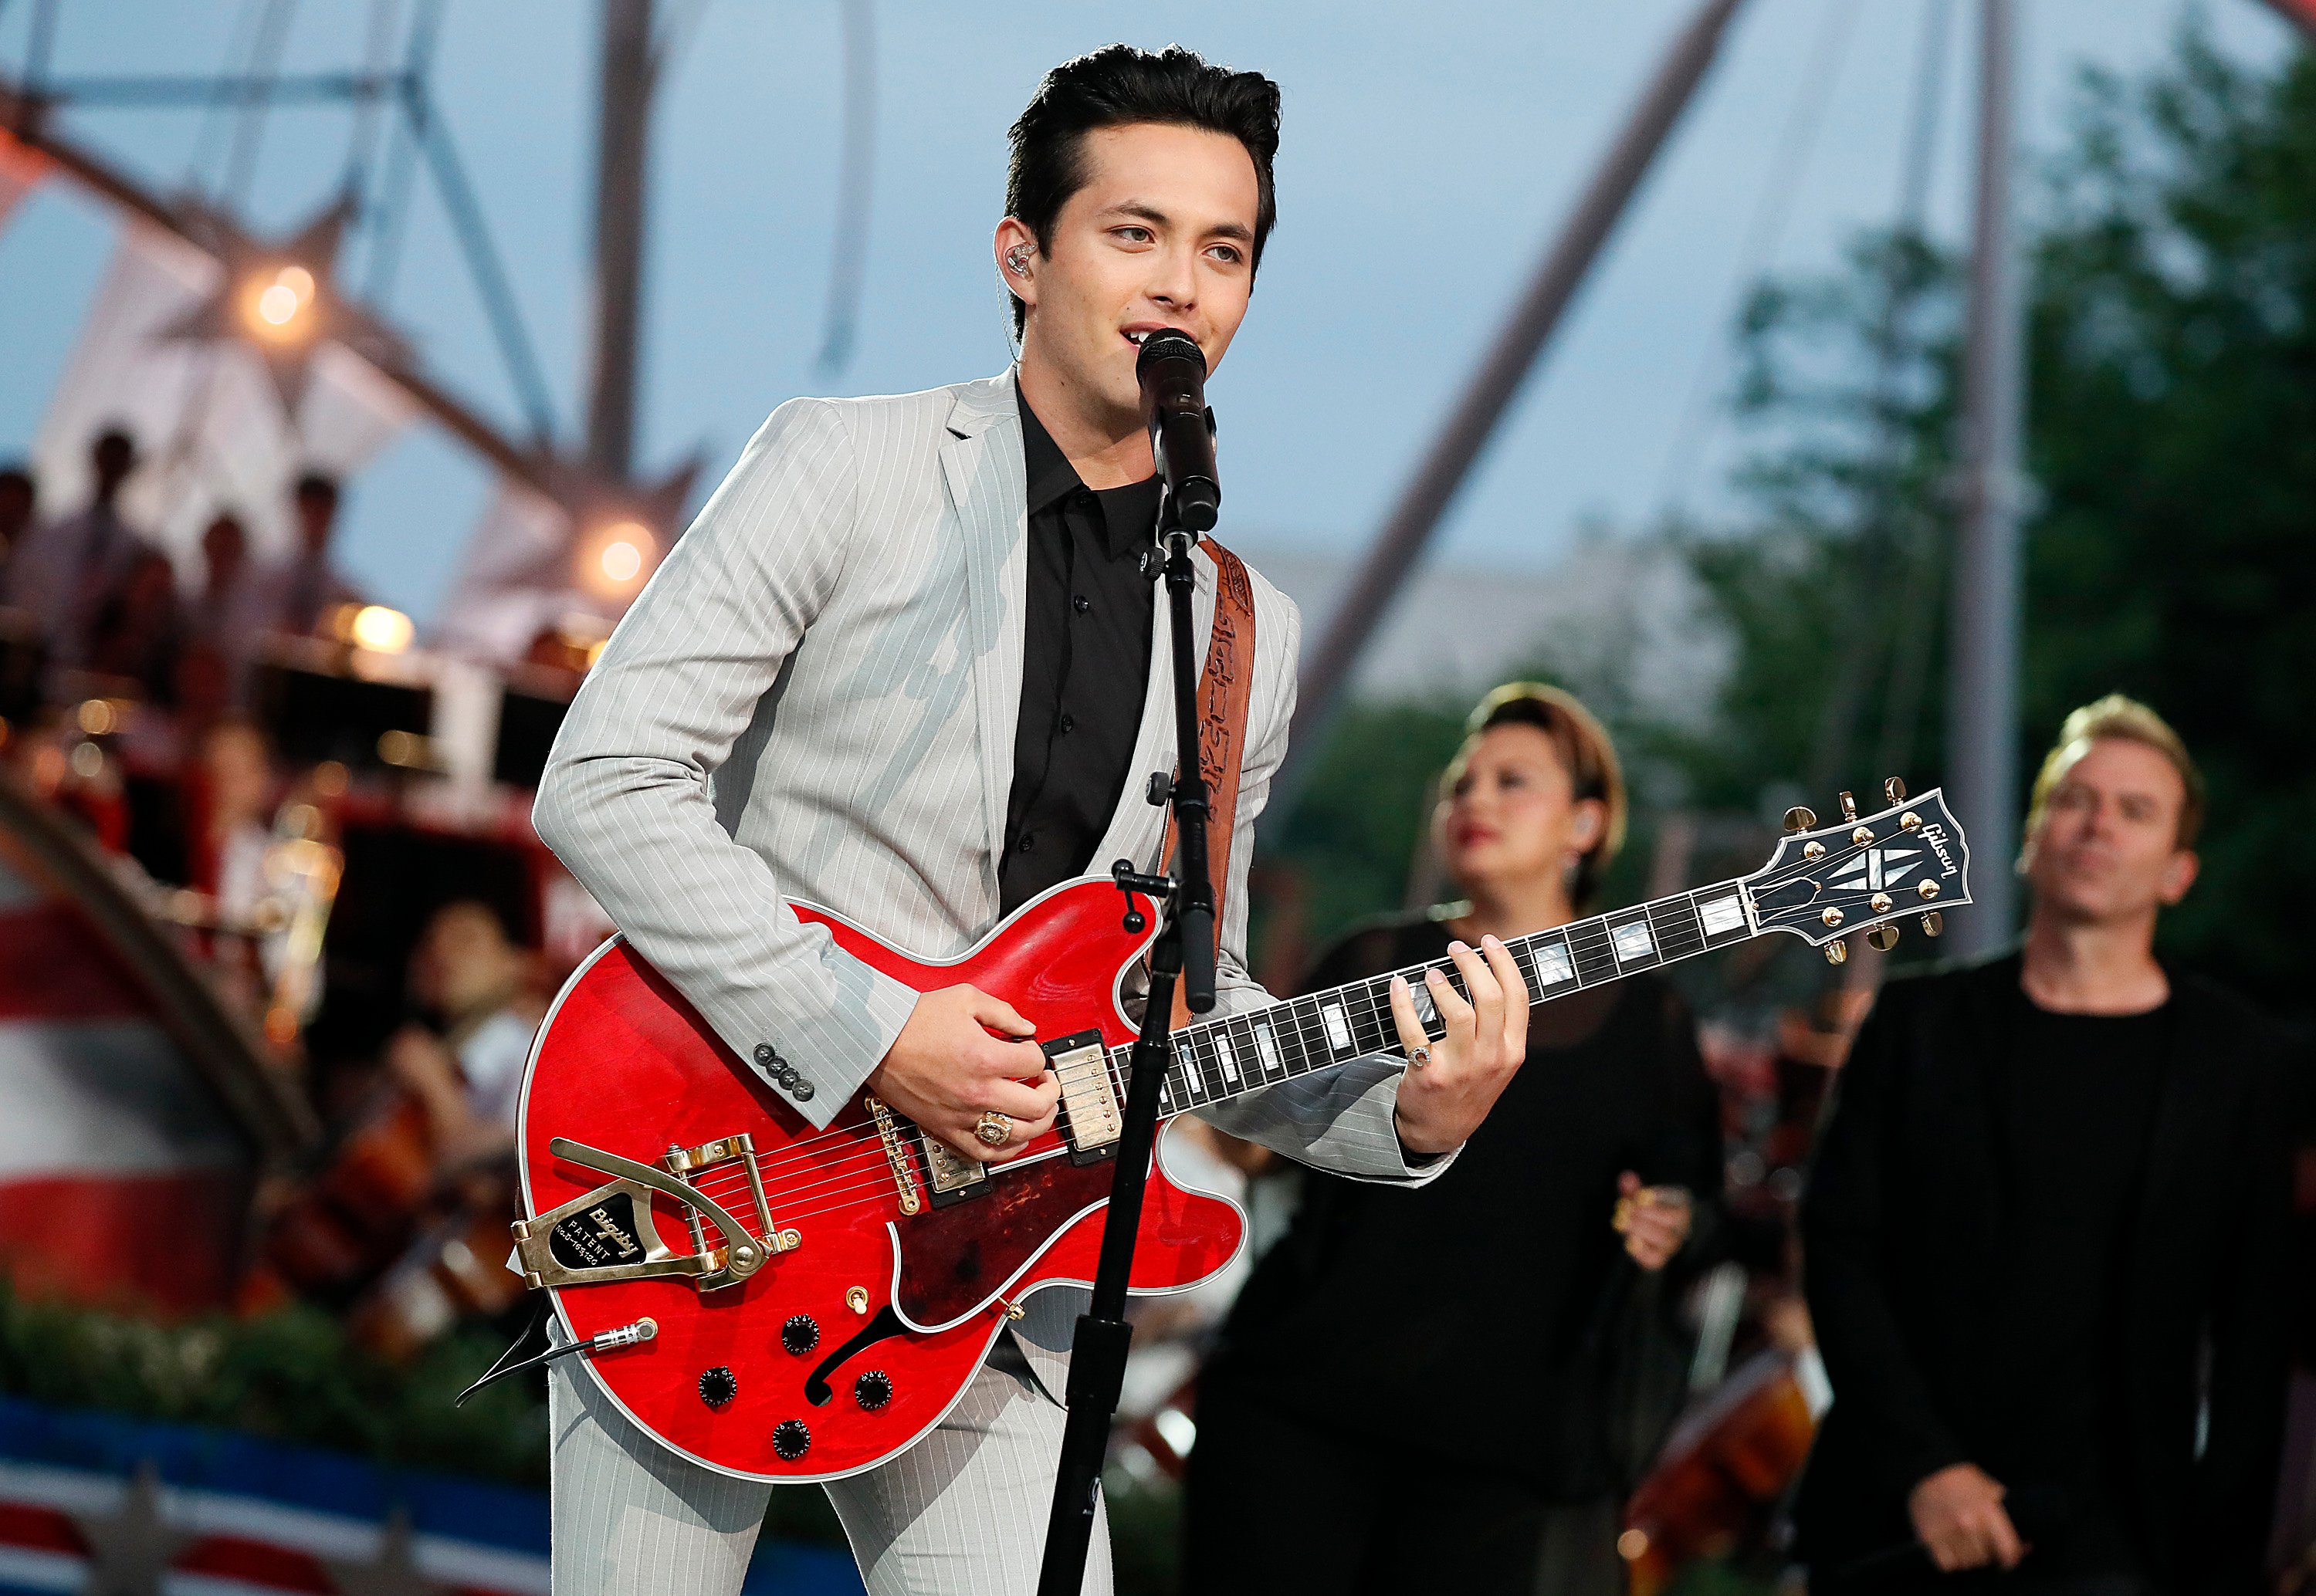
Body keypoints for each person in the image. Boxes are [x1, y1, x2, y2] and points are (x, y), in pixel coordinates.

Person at [528, 44, 1533, 1596]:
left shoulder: (1240, 632)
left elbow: (1188, 992)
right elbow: (605, 777)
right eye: (1135, 233)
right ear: (1022, 254)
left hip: (1007, 1260)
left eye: (1224, 250)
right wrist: (875, 1032)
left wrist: (1405, 1117)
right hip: (721, 1183)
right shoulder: (845, 466)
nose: (1182, 284)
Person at [1184, 683, 1722, 1596]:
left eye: (1514, 781)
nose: (1475, 799)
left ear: (1586, 824)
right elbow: (1261, 1146)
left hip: (1507, 1453)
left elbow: (1697, 1194)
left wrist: (1671, 1220)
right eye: (1462, 782)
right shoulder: (1372, 961)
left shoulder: (1650, 1019)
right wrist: (1213, 1109)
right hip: (1300, 1409)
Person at [1796, 695, 2293, 1594]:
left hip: (2123, 1540)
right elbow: (1838, 1248)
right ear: (2030, 838)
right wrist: (1926, 1467)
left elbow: (2255, 1330)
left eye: (2135, 810)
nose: (2098, 824)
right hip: (1899, 1521)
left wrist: (2224, 1566)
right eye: (2075, 798)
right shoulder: (1914, 1025)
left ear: (2178, 871)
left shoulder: (2237, 1060)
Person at [384, 900, 543, 1172]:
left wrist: (436, 1088)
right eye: (431, 942)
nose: (442, 952)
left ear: (514, 962)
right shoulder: (444, 1044)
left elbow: (522, 1159)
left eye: (465, 939)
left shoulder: (526, 1045)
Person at [6, 428, 151, 668]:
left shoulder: (134, 546)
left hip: (92, 660)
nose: (112, 469)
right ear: (96, 459)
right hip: (38, 649)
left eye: (119, 461)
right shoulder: (50, 533)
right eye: (108, 459)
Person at [250, 471, 361, 638]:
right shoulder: (264, 579)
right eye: (310, 510)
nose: (315, 520)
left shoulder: (343, 594)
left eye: (322, 511)